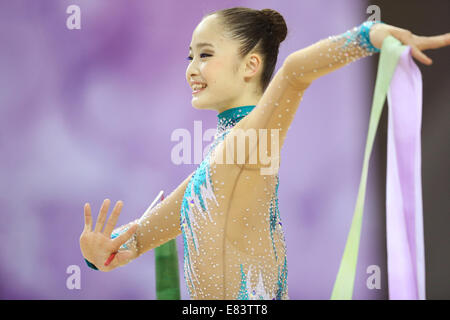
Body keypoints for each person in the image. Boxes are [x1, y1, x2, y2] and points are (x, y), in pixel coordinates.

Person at [79, 7, 450, 300]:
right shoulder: (215, 167)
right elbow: (142, 236)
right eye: (190, 56)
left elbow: (294, 72)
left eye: (205, 54)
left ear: (251, 65)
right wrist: (100, 255)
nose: (192, 68)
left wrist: (369, 35)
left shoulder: (251, 138)